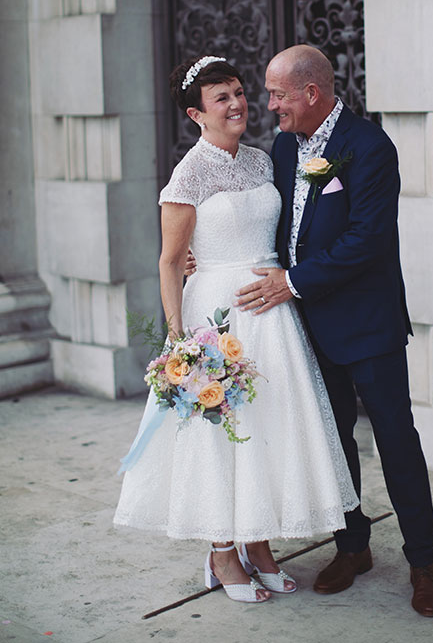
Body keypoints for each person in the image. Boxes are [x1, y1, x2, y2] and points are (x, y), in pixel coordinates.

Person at [113, 55, 358, 604]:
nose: (237, 103)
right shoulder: (189, 174)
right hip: (217, 319)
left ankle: (259, 543)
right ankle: (222, 552)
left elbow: (295, 216)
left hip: (274, 315)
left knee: (267, 428)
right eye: (220, 97)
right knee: (221, 434)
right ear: (196, 114)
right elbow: (172, 262)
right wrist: (180, 341)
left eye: (239, 91)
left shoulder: (264, 161)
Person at [235, 44, 433, 617]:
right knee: (333, 445)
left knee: (396, 442)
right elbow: (271, 225)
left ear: (312, 93)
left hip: (367, 324)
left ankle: (424, 562)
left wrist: (294, 282)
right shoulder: (284, 146)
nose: (270, 104)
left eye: (279, 94)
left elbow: (367, 239)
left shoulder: (371, 147)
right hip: (308, 327)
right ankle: (352, 547)